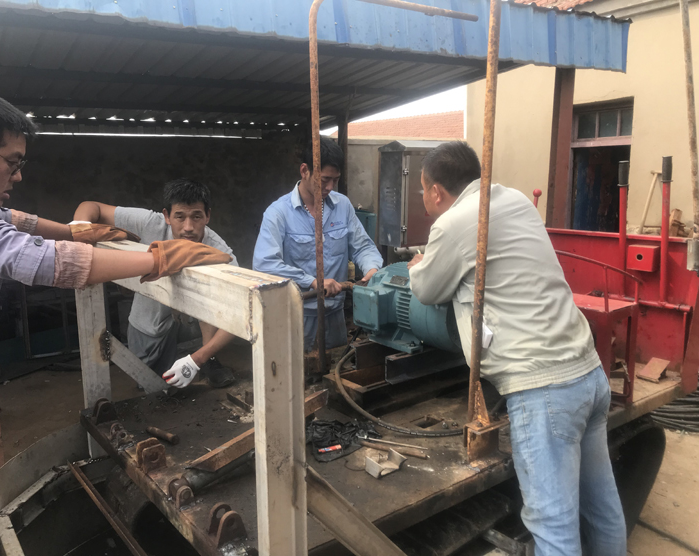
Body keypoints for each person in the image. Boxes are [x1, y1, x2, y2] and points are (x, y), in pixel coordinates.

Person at [407, 141, 626, 556]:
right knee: (602, 509)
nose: (424, 198)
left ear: (436, 191)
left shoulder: (454, 223)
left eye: (422, 190)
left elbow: (427, 290)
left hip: (544, 391)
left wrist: (418, 267)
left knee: (554, 528)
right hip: (588, 372)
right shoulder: (515, 199)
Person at [0, 89, 231, 418]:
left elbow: (10, 219)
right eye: (12, 162)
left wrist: (73, 231)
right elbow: (36, 257)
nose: (18, 175)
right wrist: (160, 258)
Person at [74, 179, 237, 389]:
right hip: (149, 322)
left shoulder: (221, 251)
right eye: (180, 216)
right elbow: (91, 207)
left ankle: (208, 359)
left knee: (212, 305)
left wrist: (198, 358)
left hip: (190, 327)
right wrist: (80, 232)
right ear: (167, 216)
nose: (188, 227)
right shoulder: (151, 223)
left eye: (196, 216)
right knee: (148, 386)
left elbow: (238, 315)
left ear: (208, 216)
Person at [253, 137, 383, 352]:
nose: (330, 187)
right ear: (305, 171)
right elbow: (264, 263)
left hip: (336, 315)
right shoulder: (278, 213)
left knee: (336, 364)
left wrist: (372, 270)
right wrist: (313, 282)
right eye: (324, 179)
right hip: (296, 315)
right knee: (299, 369)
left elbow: (362, 246)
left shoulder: (343, 206)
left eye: (335, 180)